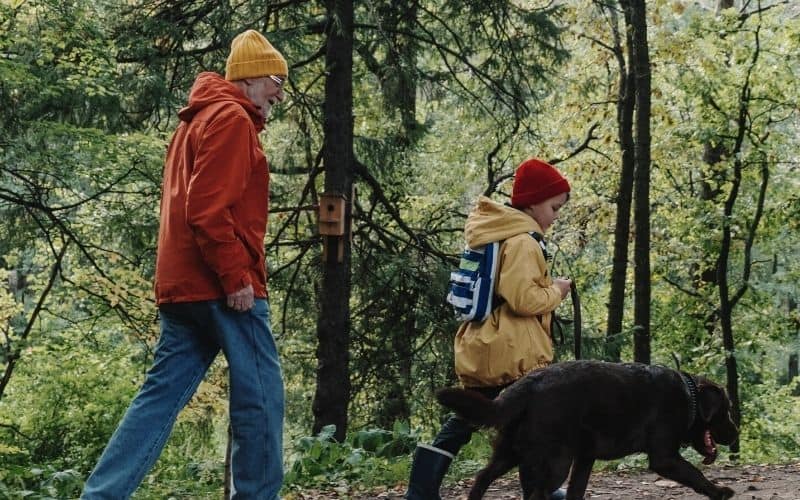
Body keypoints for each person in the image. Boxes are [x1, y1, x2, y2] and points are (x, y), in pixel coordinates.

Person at [81, 29, 288, 499]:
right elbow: (207, 210)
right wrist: (237, 277)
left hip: (182, 287)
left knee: (157, 400)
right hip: (223, 286)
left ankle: (101, 495)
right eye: (276, 79)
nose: (279, 92)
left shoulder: (193, 122)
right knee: (261, 399)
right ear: (252, 78)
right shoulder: (232, 120)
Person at [405, 158, 573, 500]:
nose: (556, 216)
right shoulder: (524, 242)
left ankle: (421, 489)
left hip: (486, 343)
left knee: (467, 417)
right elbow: (523, 300)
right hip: (510, 351)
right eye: (554, 207)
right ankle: (539, 490)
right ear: (532, 202)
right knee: (533, 420)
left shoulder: (498, 233)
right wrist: (556, 290)